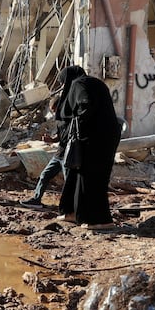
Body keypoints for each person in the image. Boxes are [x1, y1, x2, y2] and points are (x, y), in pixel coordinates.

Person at [55, 66, 122, 228]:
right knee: (76, 174)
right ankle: (71, 212)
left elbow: (85, 104)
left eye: (63, 83)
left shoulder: (78, 84)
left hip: (94, 137)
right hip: (102, 135)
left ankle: (98, 220)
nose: (64, 87)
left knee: (91, 178)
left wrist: (80, 124)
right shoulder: (94, 83)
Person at [20, 93, 67, 209]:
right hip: (59, 154)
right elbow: (60, 137)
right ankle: (36, 200)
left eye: (55, 110)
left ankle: (71, 206)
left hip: (69, 154)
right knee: (45, 175)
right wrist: (51, 139)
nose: (55, 113)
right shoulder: (60, 121)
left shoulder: (71, 120)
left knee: (70, 182)